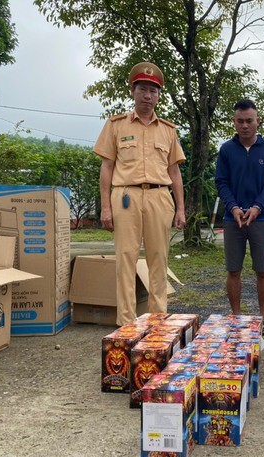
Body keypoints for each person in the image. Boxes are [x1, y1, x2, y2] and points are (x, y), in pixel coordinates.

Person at [94, 61, 186, 326]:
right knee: (126, 258)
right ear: (132, 91)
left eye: (153, 91)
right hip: (125, 197)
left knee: (159, 258)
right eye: (143, 89)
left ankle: (158, 321)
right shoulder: (116, 125)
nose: (148, 96)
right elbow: (107, 167)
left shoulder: (168, 130)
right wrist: (105, 207)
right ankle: (125, 322)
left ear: (158, 95)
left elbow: (175, 172)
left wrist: (180, 208)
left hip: (159, 196)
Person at [215, 99, 264, 335]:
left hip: (260, 219)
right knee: (233, 270)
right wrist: (233, 207)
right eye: (240, 121)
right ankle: (236, 316)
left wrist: (257, 207)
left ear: (257, 121)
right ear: (234, 122)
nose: (244, 126)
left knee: (262, 270)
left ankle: (263, 318)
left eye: (249, 121)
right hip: (233, 219)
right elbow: (221, 182)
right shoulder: (226, 150)